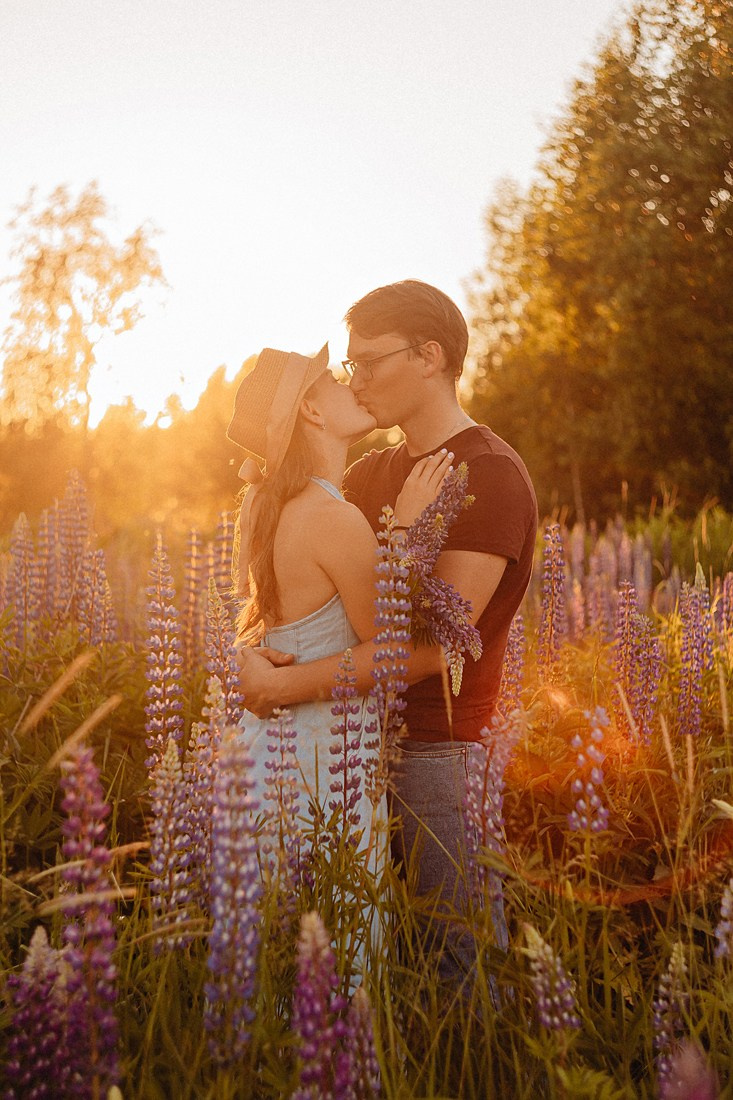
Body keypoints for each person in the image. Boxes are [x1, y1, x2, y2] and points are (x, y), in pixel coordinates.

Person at [238, 282, 538, 978]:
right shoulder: (374, 471)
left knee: (455, 964)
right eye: (348, 367)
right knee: (346, 958)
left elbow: (436, 648)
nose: (356, 379)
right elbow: (299, 590)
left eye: (369, 362)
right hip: (349, 746)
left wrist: (279, 686)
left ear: (428, 355)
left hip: (437, 752)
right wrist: (252, 653)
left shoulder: (487, 474)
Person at [226, 343, 453, 865]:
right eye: (333, 378)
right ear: (312, 410)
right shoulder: (334, 517)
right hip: (325, 766)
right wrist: (403, 530)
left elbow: (262, 631)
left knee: (269, 936)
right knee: (337, 933)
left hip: (261, 756)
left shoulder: (264, 507)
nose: (353, 383)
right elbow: (393, 646)